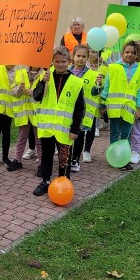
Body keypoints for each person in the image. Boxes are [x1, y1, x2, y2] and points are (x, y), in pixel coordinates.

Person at [32, 46, 84, 196]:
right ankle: (46, 181)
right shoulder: (45, 77)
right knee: (46, 156)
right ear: (52, 62)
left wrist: (75, 129)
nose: (60, 64)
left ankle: (64, 181)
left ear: (69, 61)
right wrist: (42, 82)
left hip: (65, 129)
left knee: (64, 158)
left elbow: (80, 107)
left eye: (63, 61)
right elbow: (36, 96)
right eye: (57, 61)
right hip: (47, 127)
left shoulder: (76, 82)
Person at [100, 41, 140, 171]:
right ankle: (113, 157)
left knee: (126, 134)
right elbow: (107, 86)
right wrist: (102, 103)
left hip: (129, 108)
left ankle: (124, 159)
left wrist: (139, 108)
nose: (129, 55)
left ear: (137, 54)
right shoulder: (113, 67)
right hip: (115, 107)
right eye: (127, 52)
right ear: (122, 53)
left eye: (133, 52)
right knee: (114, 133)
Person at [69, 45, 99, 172]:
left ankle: (75, 159)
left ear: (87, 58)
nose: (80, 59)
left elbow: (95, 93)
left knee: (79, 135)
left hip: (82, 112)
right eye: (78, 56)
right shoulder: (66, 71)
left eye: (83, 56)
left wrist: (98, 85)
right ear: (73, 56)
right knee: (66, 135)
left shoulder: (93, 75)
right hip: (67, 110)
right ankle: (66, 157)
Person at [9, 66, 42, 172]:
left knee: (39, 139)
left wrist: (33, 92)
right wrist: (19, 89)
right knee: (22, 137)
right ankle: (17, 160)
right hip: (23, 111)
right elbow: (13, 91)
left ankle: (42, 163)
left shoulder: (44, 74)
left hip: (37, 112)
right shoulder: (20, 72)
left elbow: (46, 93)